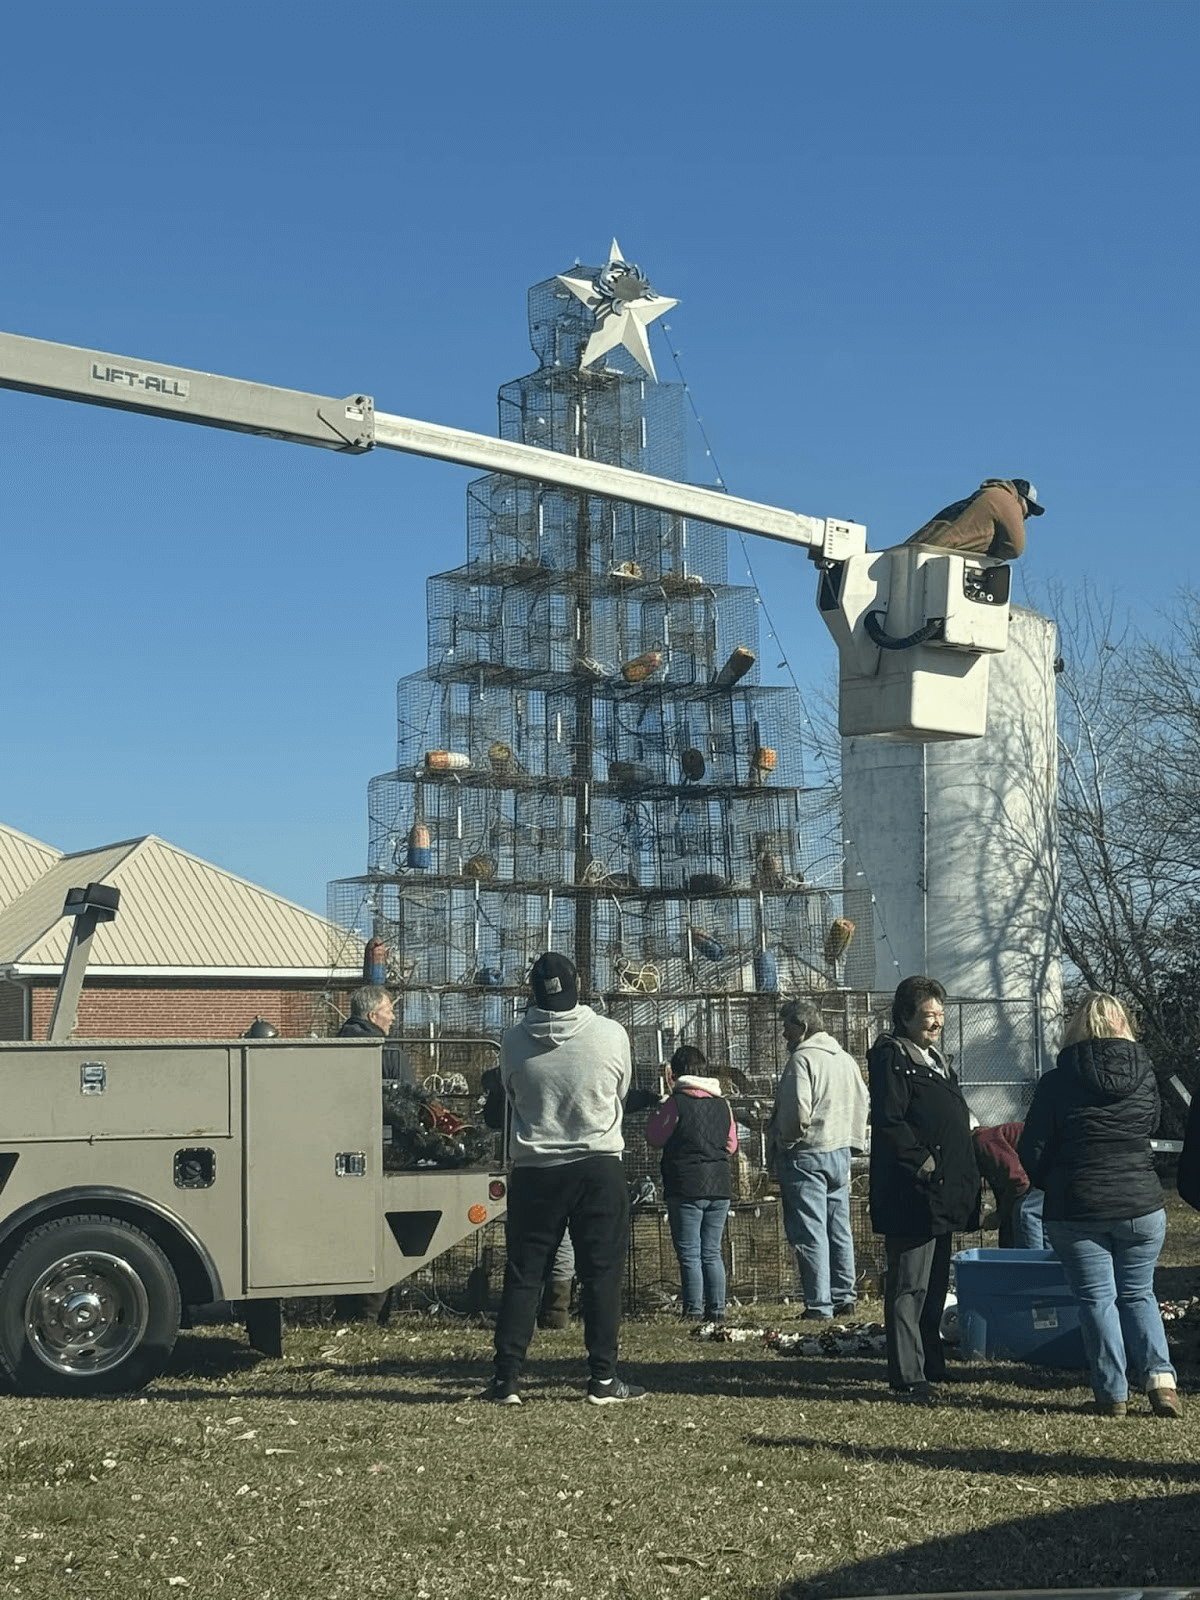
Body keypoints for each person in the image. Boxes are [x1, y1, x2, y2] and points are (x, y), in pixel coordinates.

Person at [485, 952, 645, 1405]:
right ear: (579, 985)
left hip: (536, 1169)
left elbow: (510, 1095)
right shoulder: (611, 1034)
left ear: (532, 992)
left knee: (523, 1274)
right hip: (597, 1164)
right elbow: (621, 1092)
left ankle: (507, 1379)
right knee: (602, 1274)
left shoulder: (513, 1041)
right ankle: (602, 1378)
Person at [1018, 992, 1182, 1419]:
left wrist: (1054, 1183)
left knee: (1097, 1299)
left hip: (1077, 1205)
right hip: (1141, 1203)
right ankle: (1161, 1380)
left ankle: (1112, 1392)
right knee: (1139, 1293)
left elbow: (1031, 1146)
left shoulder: (1057, 1080)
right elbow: (1152, 1127)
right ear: (1123, 1025)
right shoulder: (1146, 1073)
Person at [868, 976, 980, 1403]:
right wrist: (924, 1163)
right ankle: (907, 1374)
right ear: (905, 1016)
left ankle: (932, 1362)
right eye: (928, 1016)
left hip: (943, 1194)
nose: (936, 1023)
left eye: (940, 1015)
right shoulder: (892, 1057)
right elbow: (892, 1122)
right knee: (908, 1286)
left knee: (935, 1286)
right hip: (913, 1193)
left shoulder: (937, 1060)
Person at [765, 999, 869, 1320]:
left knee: (810, 1231)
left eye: (787, 1027)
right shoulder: (846, 1059)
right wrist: (853, 1142)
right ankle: (844, 1297)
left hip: (806, 1154)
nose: (783, 1034)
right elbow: (863, 1101)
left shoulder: (802, 1060)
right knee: (839, 1228)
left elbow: (797, 1111)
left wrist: (785, 1141)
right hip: (840, 1154)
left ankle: (818, 1304)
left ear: (803, 1027)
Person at [334, 985, 411, 1322]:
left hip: (336, 1155)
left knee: (346, 1230)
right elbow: (412, 1104)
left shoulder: (330, 1049)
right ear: (372, 1014)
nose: (393, 1016)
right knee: (382, 1233)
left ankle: (346, 1308)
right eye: (389, 1009)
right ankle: (373, 1312)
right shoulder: (389, 1055)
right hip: (382, 1154)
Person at [645, 1044, 737, 1322]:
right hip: (720, 1186)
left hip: (686, 1186)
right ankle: (717, 1309)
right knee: (712, 1251)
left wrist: (657, 1113)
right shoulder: (723, 1103)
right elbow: (731, 1145)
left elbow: (655, 1137)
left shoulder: (676, 1103)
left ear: (676, 1073)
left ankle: (694, 1310)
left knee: (689, 1253)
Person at [904, 477, 1045, 562]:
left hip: (912, 553)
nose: (1027, 516)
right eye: (1029, 509)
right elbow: (1015, 548)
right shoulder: (1007, 500)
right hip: (934, 559)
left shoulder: (984, 496)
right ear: (1021, 498)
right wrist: (992, 553)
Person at [972, 1122, 1048, 1249]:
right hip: (1048, 1171)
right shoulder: (986, 1142)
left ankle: (1030, 1265)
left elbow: (1019, 1182)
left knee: (1025, 1212)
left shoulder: (983, 1141)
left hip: (1046, 1168)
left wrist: (999, 1215)